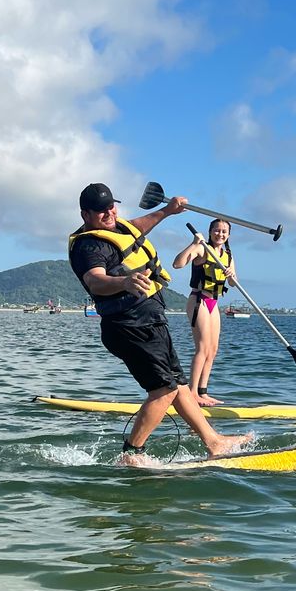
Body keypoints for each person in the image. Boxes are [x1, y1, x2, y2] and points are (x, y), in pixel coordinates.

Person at [67, 183, 250, 464]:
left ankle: (214, 443)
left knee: (178, 384)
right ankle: (132, 454)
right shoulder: (88, 245)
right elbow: (94, 279)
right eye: (101, 210)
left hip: (151, 320)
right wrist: (124, 281)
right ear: (85, 214)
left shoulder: (119, 227)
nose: (109, 213)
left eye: (111, 206)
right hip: (129, 325)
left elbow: (139, 226)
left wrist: (168, 210)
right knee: (163, 390)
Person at [173, 218, 235, 406]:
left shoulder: (228, 256)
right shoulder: (202, 249)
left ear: (228, 235)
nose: (220, 234)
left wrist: (231, 275)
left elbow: (232, 283)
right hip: (198, 299)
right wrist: (193, 244)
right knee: (202, 348)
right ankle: (192, 393)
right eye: (217, 230)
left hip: (213, 303)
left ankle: (203, 391)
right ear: (210, 232)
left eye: (224, 231)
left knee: (212, 350)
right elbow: (177, 263)